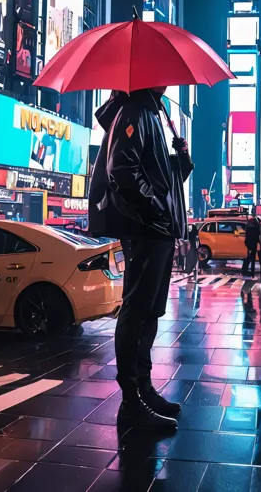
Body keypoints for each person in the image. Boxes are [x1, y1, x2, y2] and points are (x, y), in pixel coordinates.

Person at [88, 88, 194, 432]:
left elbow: (161, 180)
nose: (167, 81)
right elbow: (122, 169)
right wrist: (157, 210)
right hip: (146, 229)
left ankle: (144, 388)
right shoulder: (134, 111)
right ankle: (132, 399)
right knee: (136, 311)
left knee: (150, 312)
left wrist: (181, 159)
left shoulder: (152, 113)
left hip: (158, 230)